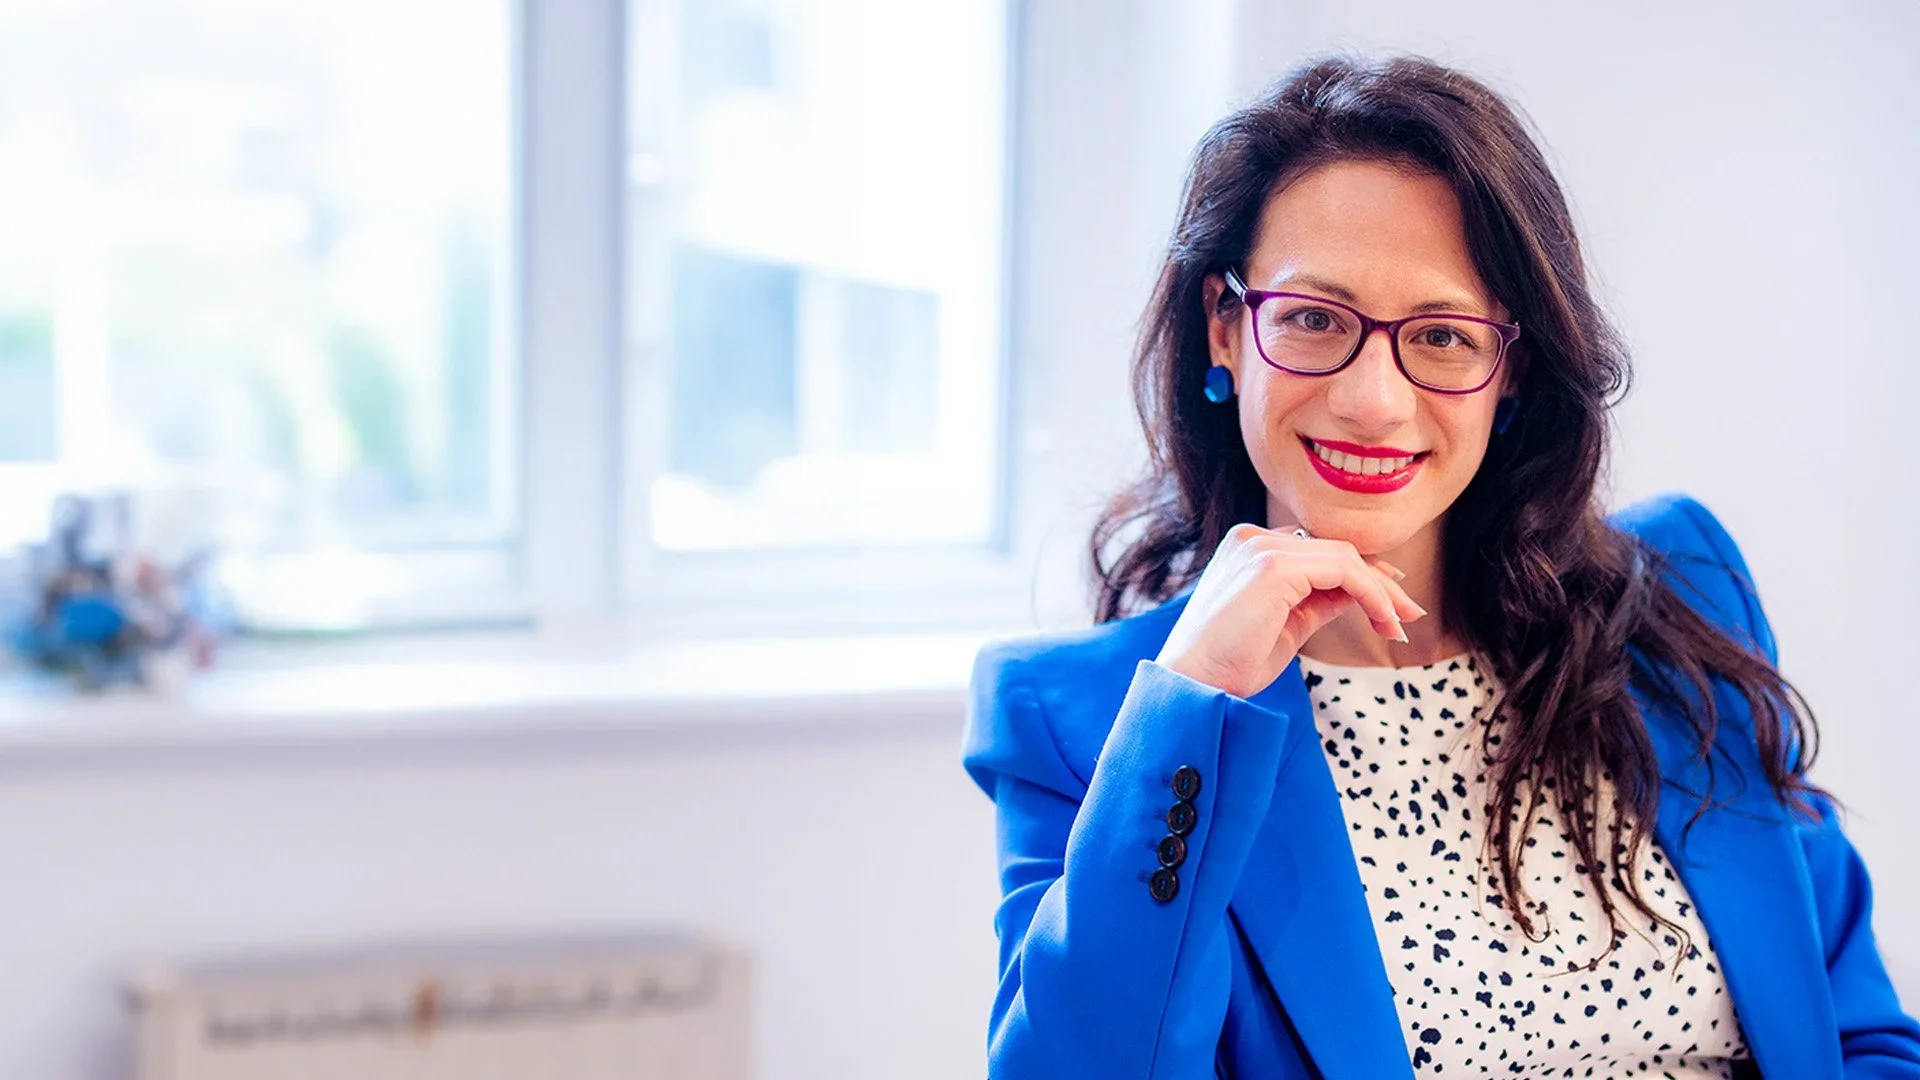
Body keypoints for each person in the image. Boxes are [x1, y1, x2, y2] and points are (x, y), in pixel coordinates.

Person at [961, 54, 1920, 1079]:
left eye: (1444, 336)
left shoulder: (1675, 592)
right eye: (1315, 320)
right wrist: (1193, 707)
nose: (1374, 398)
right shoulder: (1093, 717)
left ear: (1511, 368)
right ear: (1227, 327)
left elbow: (1862, 1037)